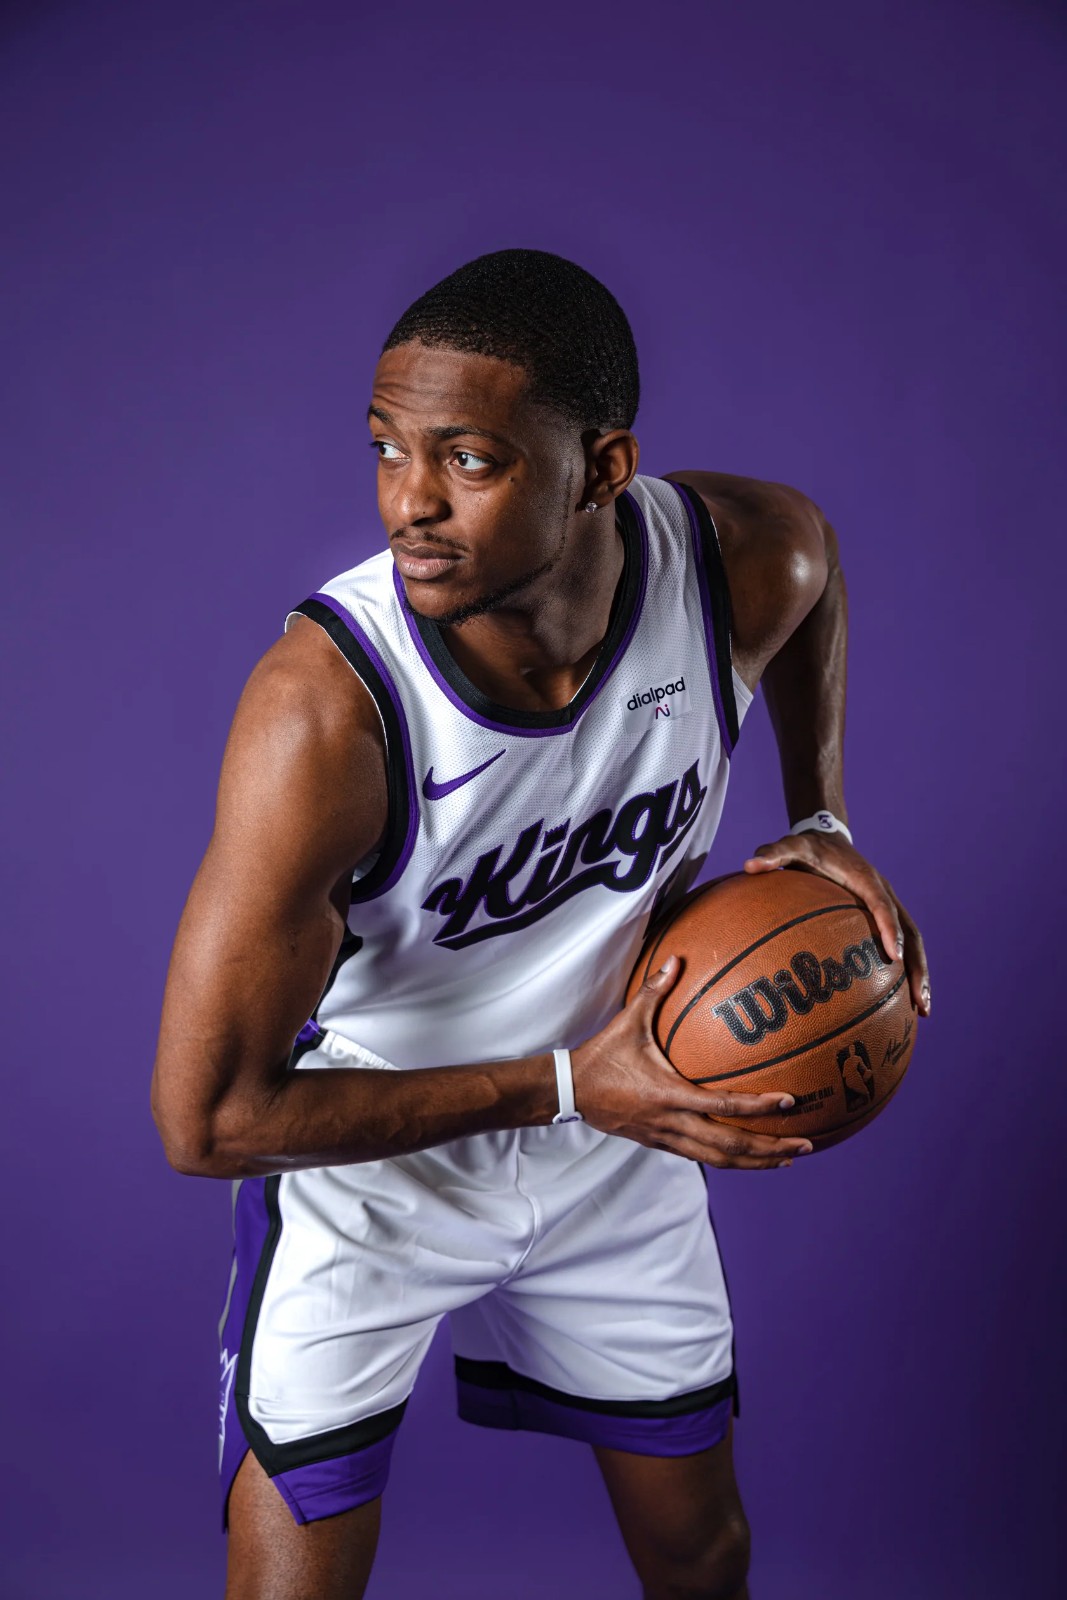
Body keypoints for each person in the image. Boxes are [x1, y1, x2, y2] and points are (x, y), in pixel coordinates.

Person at [151, 248, 929, 1600]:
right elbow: (207, 1122)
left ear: (603, 468)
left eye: (468, 460)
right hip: (376, 1152)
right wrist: (572, 1083)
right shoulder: (326, 713)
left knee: (701, 1552)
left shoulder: (735, 564)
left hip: (621, 1135)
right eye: (387, 449)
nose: (409, 500)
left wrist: (823, 816)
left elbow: (815, 566)